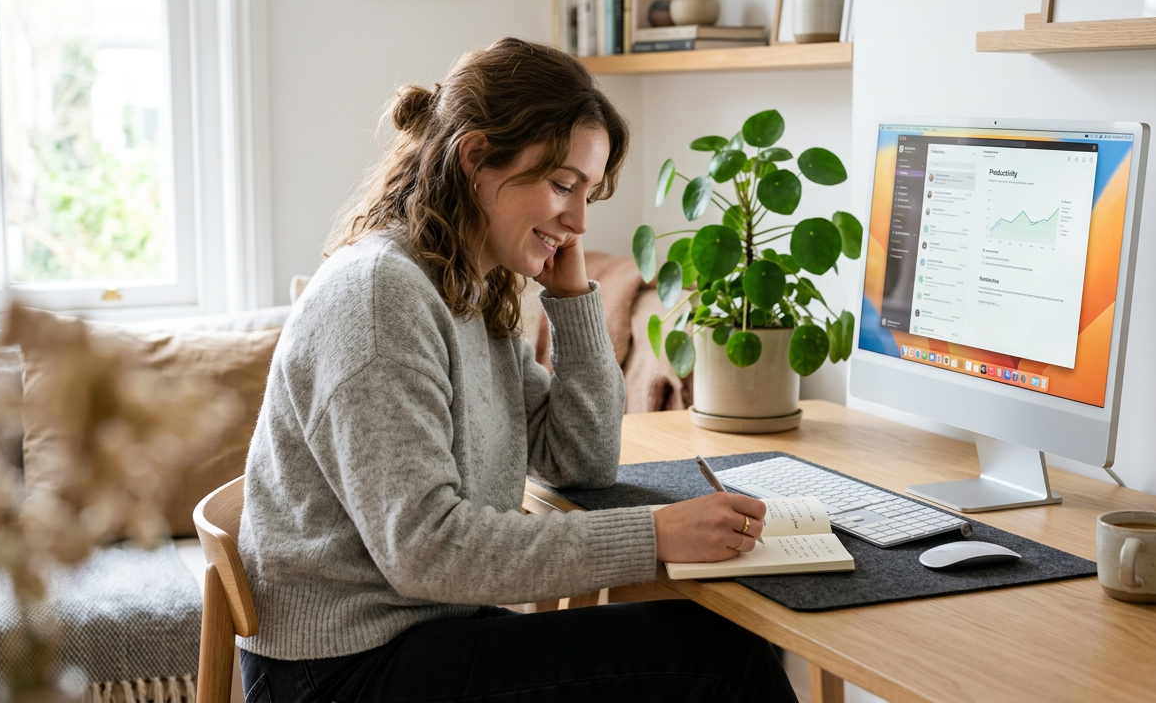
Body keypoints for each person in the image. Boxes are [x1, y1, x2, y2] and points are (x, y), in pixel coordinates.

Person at [235, 38, 799, 703]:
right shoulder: (380, 294)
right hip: (339, 672)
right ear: (476, 157)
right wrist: (653, 535)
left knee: (715, 644)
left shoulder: (464, 288)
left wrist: (572, 301)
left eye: (587, 192)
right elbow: (426, 549)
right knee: (717, 658)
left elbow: (580, 459)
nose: (580, 220)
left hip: (425, 635)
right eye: (563, 185)